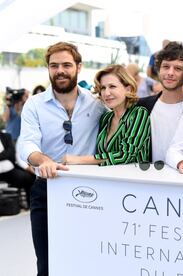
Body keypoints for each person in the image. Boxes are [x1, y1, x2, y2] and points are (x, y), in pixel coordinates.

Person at [18, 42, 106, 276]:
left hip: (91, 193)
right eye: (54, 65)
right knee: (47, 265)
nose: (60, 70)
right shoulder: (34, 104)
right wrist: (43, 160)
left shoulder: (97, 104)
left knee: (88, 262)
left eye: (66, 65)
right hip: (46, 189)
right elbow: (26, 144)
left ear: (79, 67)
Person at [63, 65, 150, 165]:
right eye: (103, 88)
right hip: (104, 179)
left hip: (132, 179)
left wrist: (78, 159)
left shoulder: (139, 114)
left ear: (128, 89)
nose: (106, 93)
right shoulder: (106, 118)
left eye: (112, 86)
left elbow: (125, 155)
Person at [136, 42, 183, 162]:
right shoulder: (142, 106)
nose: (170, 73)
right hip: (149, 176)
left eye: (177, 68)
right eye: (166, 67)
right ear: (159, 70)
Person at [0, 132, 35, 208]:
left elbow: (11, 152)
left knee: (28, 177)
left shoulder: (6, 136)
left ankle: (29, 204)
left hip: (9, 170)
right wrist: (4, 155)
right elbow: (7, 153)